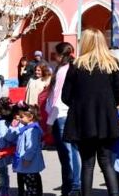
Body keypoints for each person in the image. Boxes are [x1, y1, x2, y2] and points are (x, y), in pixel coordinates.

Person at [62, 28, 119, 196]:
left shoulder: (77, 65)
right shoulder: (112, 63)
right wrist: (108, 106)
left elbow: (65, 96)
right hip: (106, 120)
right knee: (106, 162)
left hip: (84, 121)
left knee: (87, 164)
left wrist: (81, 105)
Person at [46, 42, 81, 196]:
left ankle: (72, 186)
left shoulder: (62, 71)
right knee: (72, 152)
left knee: (67, 154)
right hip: (67, 114)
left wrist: (49, 120)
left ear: (61, 55)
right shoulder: (72, 68)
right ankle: (73, 185)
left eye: (55, 53)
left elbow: (57, 98)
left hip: (61, 115)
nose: (54, 56)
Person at [14, 104, 45, 196]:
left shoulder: (33, 130)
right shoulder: (25, 128)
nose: (19, 118)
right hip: (25, 164)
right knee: (27, 185)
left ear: (30, 117)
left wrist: (27, 159)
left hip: (29, 165)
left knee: (32, 187)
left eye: (22, 116)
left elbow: (32, 147)